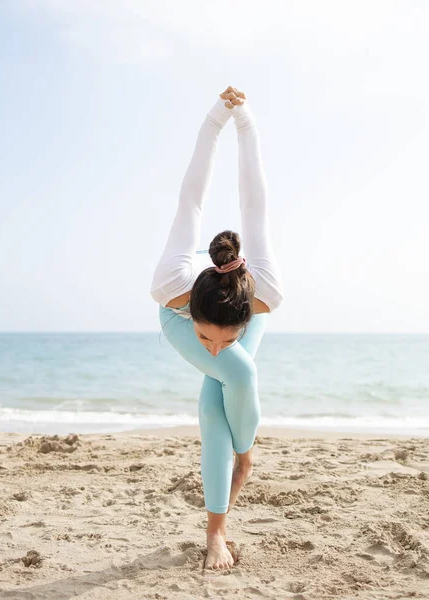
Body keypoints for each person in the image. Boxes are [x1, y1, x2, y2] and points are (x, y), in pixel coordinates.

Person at [150, 86, 284, 570]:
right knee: (239, 375)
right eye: (209, 338)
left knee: (216, 401)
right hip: (176, 315)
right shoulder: (172, 281)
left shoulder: (265, 291)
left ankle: (218, 527)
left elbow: (255, 201)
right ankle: (243, 462)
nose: (214, 348)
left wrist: (247, 119)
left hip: (249, 311)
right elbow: (193, 193)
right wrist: (218, 119)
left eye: (226, 339)